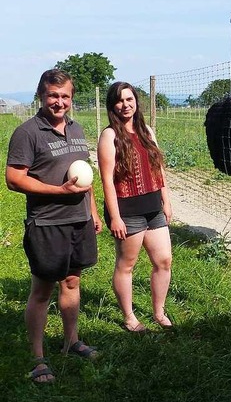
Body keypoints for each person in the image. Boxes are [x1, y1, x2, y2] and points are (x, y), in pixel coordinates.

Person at [5, 69, 103, 384]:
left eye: (64, 96)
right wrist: (58, 192)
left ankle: (71, 341)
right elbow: (14, 179)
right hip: (46, 222)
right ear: (41, 96)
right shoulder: (28, 132)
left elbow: (84, 176)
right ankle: (37, 358)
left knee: (72, 281)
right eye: (53, 95)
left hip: (79, 221)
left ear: (71, 98)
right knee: (42, 289)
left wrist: (93, 210)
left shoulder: (77, 129)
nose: (59, 102)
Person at [97, 81, 173, 333]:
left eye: (129, 99)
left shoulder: (147, 131)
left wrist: (166, 200)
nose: (125, 105)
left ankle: (159, 312)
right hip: (127, 210)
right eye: (119, 101)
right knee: (126, 264)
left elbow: (158, 168)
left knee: (164, 260)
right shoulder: (109, 135)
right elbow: (106, 179)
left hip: (153, 207)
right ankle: (129, 317)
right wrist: (115, 217)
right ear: (113, 106)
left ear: (136, 102)